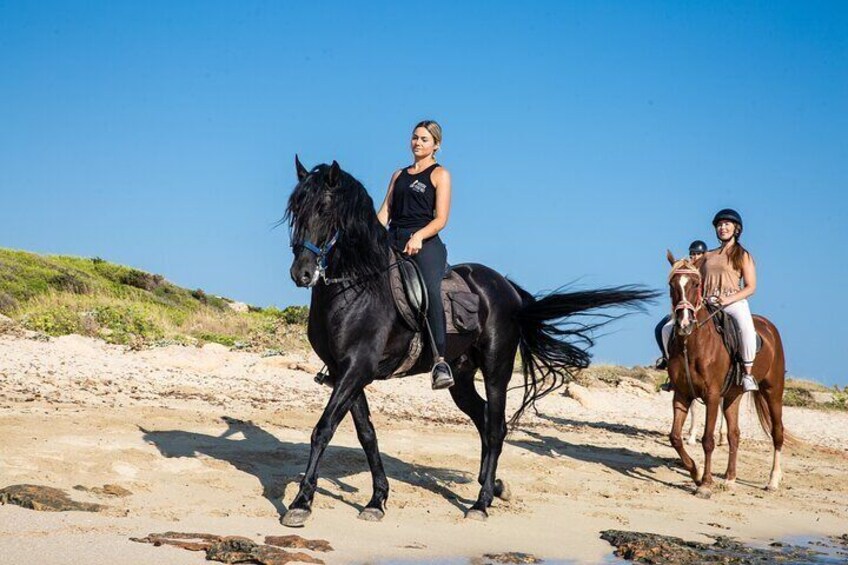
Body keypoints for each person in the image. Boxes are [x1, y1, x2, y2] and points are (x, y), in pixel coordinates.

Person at [377, 120, 454, 390]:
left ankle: (440, 360)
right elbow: (384, 212)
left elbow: (441, 218)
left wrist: (419, 236)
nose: (418, 143)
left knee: (431, 291)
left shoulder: (439, 174)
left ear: (436, 145)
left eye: (424, 139)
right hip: (392, 238)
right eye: (415, 138)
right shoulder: (398, 175)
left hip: (425, 242)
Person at [660, 210, 759, 392]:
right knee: (667, 329)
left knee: (747, 330)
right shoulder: (708, 255)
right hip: (707, 302)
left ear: (736, 229)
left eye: (727, 224)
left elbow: (751, 287)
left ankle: (747, 374)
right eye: (720, 225)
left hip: (733, 302)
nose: (722, 228)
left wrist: (728, 299)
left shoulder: (743, 255)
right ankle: (671, 371)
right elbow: (691, 275)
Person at [655, 240, 708, 389]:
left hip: (704, 306)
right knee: (662, 329)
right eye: (692, 253)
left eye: (698, 254)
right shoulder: (684, 267)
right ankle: (667, 360)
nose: (695, 256)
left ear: (704, 255)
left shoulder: (707, 268)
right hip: (683, 308)